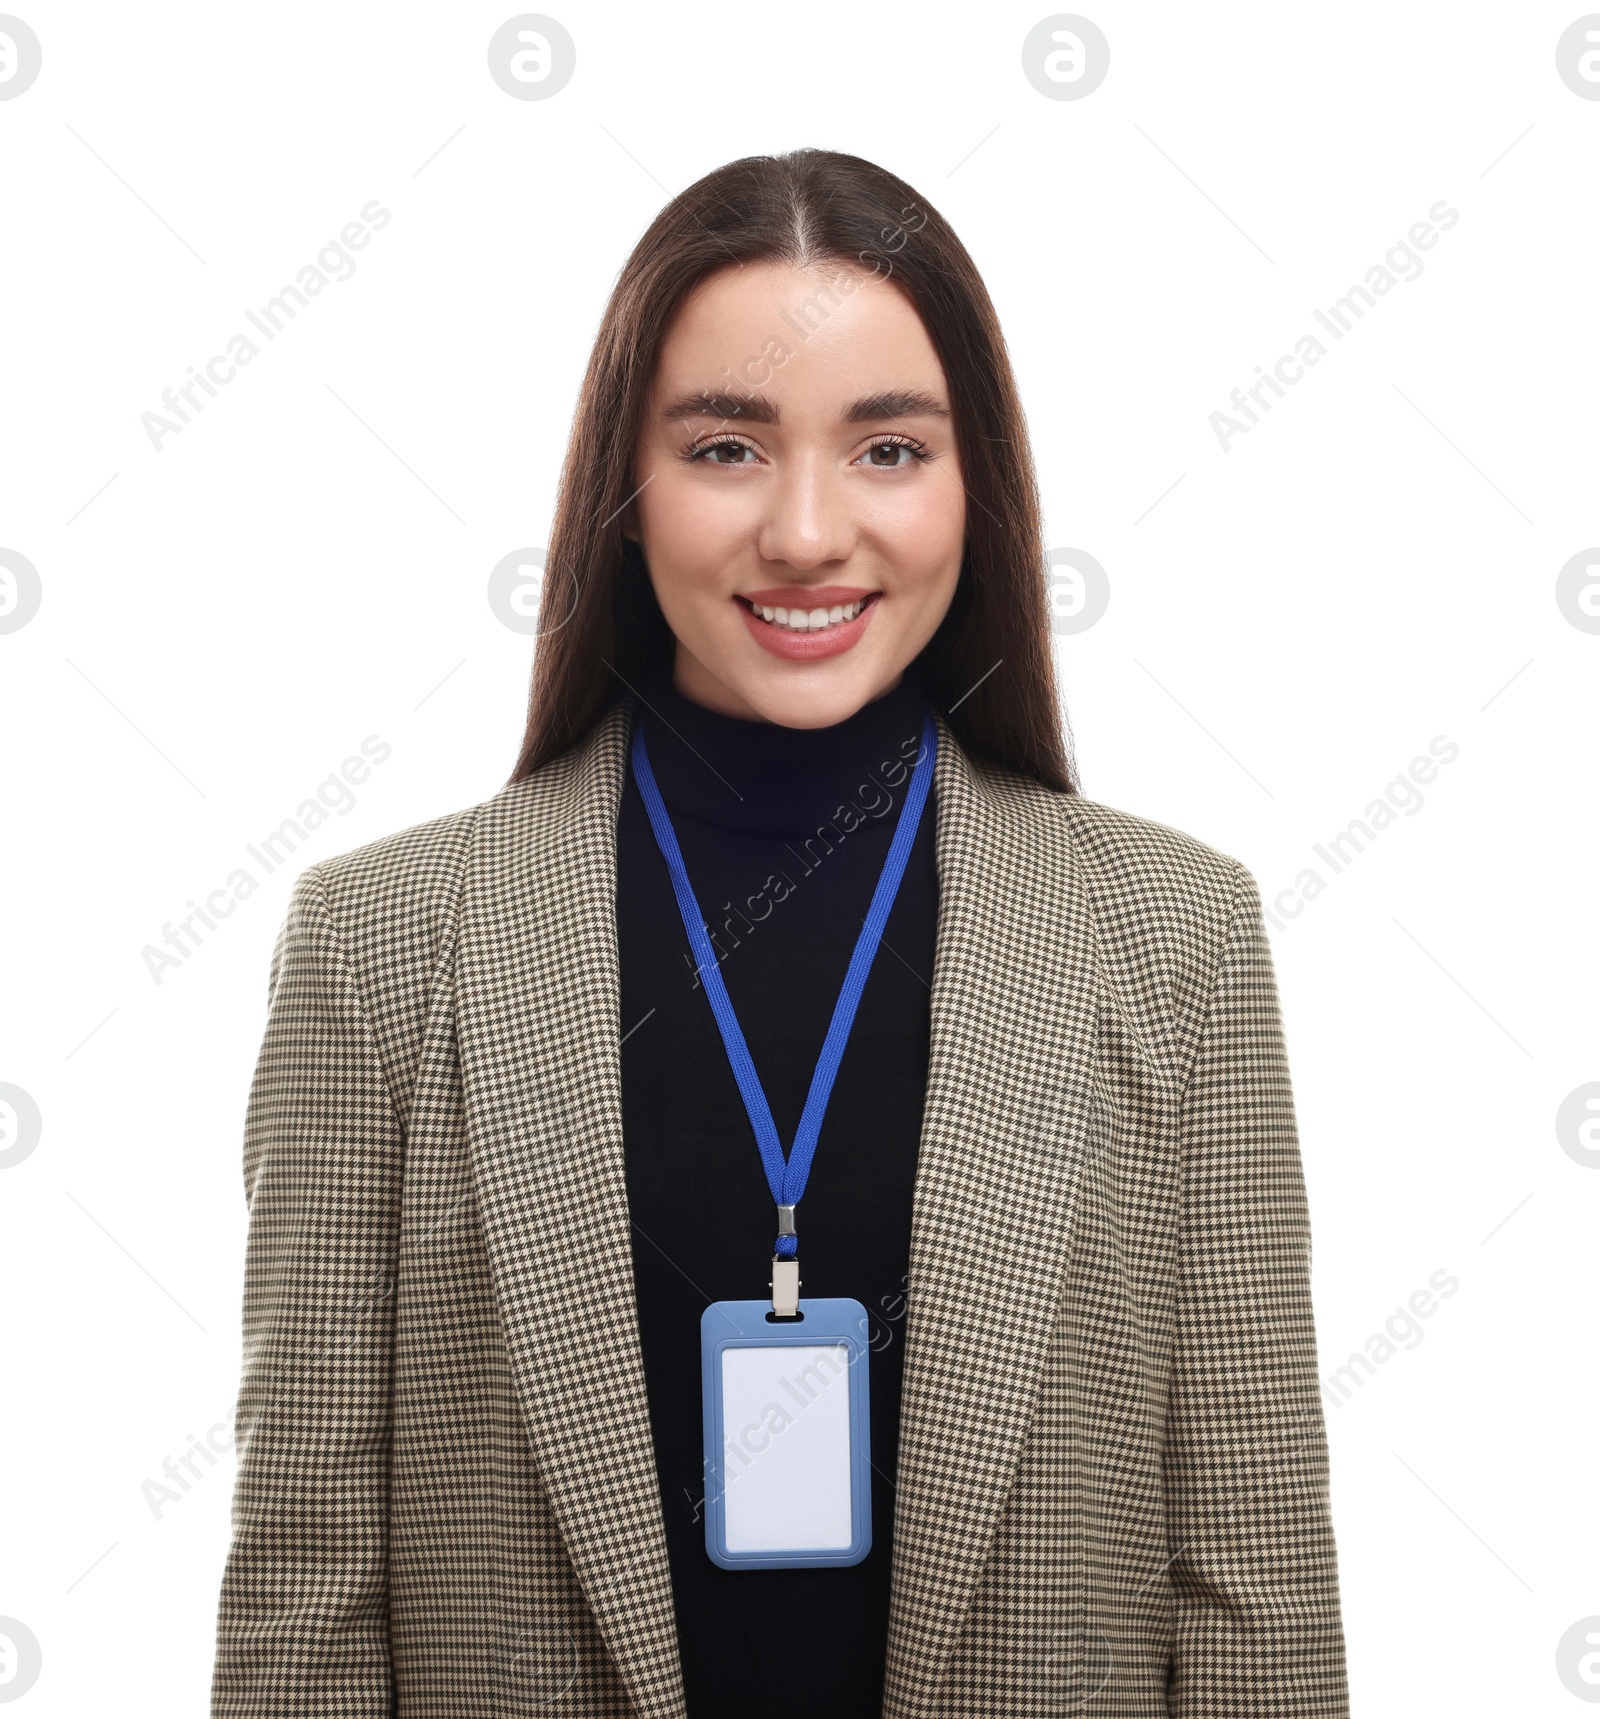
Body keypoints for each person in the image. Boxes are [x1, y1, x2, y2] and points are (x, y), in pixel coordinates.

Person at [212, 148, 1349, 1718]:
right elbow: (303, 1592)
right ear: (625, 487)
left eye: (889, 449)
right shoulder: (377, 944)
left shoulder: (1178, 938)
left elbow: (1257, 1588)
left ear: (980, 487)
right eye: (728, 447)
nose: (808, 532)